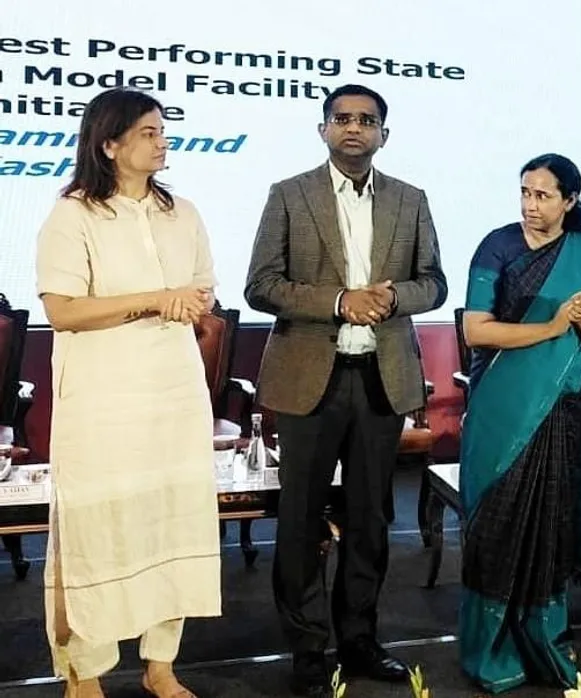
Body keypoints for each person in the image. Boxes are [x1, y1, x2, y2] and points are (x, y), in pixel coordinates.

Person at [244, 84, 447, 696]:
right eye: (342, 118)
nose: (354, 127)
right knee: (301, 521)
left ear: (384, 133)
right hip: (309, 380)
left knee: (370, 519)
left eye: (366, 120)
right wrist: (338, 301)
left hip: (381, 380)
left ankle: (359, 641)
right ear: (323, 129)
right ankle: (308, 649)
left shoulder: (411, 199)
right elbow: (261, 285)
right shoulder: (289, 194)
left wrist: (393, 297)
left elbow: (433, 283)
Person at [35, 87, 221, 698]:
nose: (162, 141)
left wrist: (192, 302)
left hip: (173, 391)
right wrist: (153, 299)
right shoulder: (73, 215)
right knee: (97, 528)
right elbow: (63, 310)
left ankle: (160, 665)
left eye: (162, 130)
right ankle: (83, 671)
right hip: (103, 399)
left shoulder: (182, 212)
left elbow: (203, 290)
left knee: (170, 521)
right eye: (148, 132)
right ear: (109, 144)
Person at [457, 154, 581, 693]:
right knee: (497, 524)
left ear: (569, 201)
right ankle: (490, 649)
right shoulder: (497, 246)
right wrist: (552, 326)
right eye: (525, 193)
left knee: (550, 524)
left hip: (561, 409)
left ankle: (543, 639)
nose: (531, 205)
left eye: (543, 195)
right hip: (501, 406)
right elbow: (476, 331)